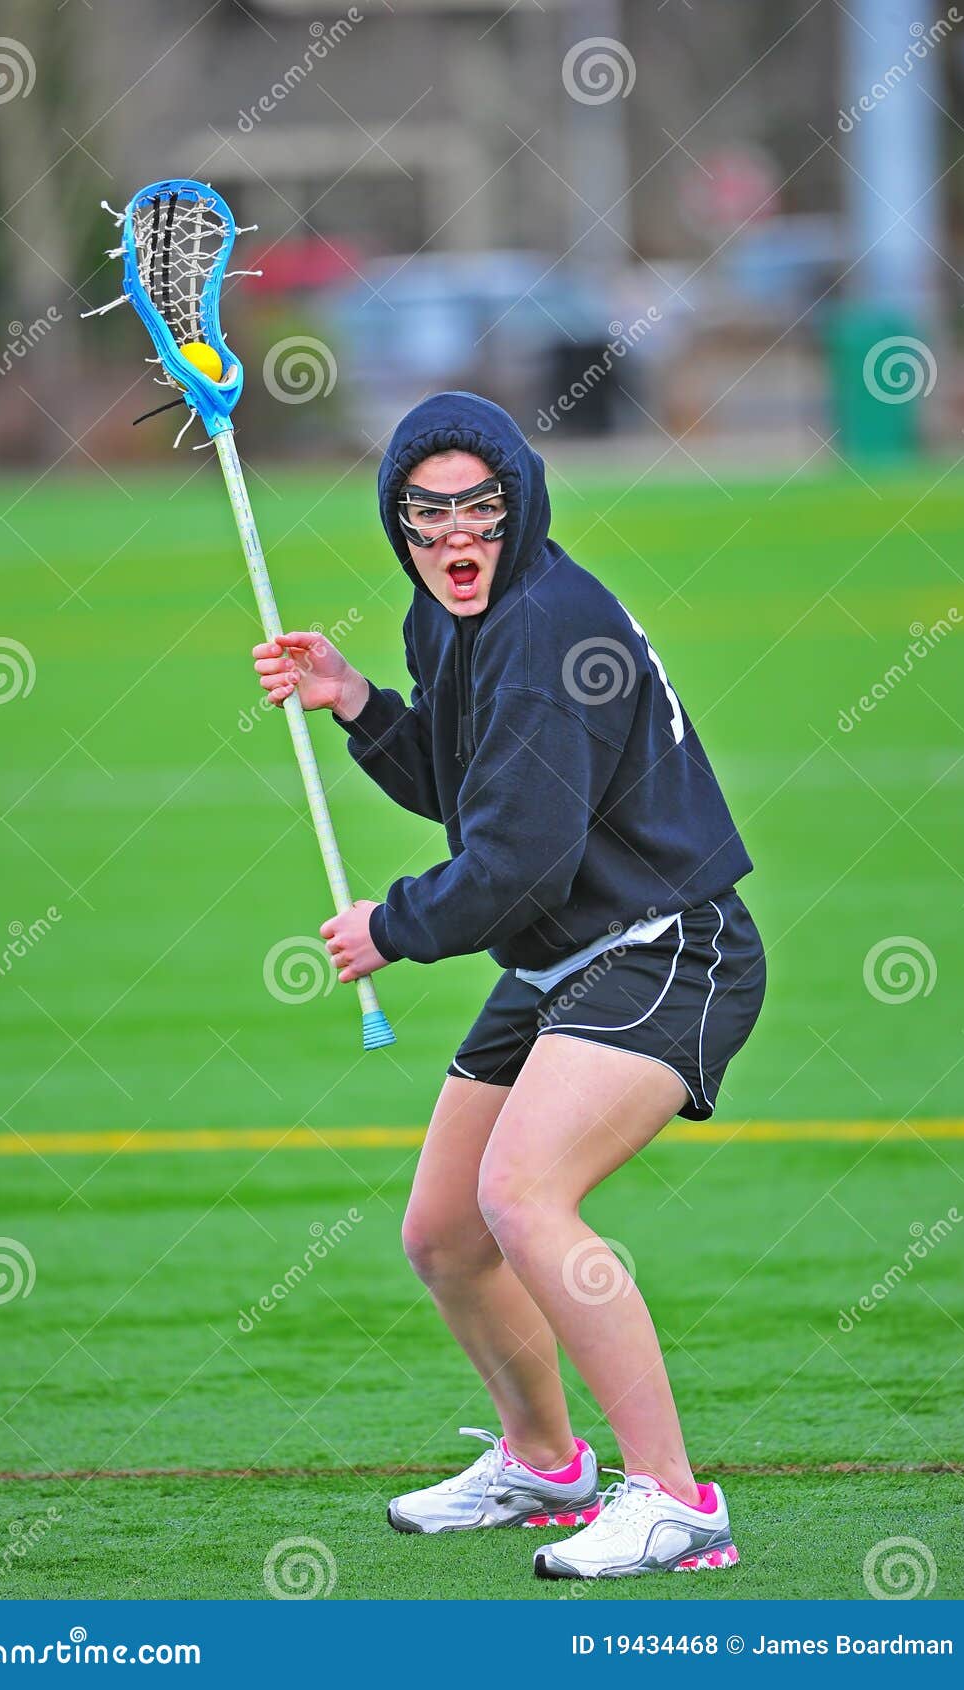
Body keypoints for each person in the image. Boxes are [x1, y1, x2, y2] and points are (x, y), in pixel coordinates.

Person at [252, 391, 765, 1580]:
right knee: (443, 1232)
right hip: (560, 956)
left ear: (518, 503)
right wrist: (361, 706)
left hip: (665, 946)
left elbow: (517, 856)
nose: (453, 536)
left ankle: (677, 1499)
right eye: (424, 517)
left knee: (525, 1195)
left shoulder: (543, 627)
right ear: (400, 526)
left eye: (478, 507)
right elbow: (469, 787)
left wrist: (396, 923)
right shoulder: (447, 616)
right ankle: (544, 1462)